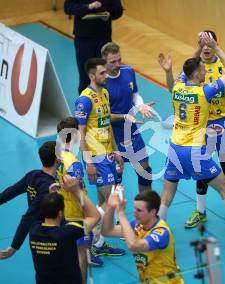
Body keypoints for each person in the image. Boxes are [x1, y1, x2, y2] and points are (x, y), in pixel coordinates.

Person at [158, 32, 225, 247]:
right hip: (194, 150)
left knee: (168, 192)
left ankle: (156, 231)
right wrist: (216, 47)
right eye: (202, 69)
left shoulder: (178, 87)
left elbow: (176, 79)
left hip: (174, 147)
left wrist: (169, 70)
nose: (205, 70)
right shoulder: (204, 92)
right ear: (198, 73)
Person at [75, 57, 125, 259]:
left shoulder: (104, 93)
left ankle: (98, 243)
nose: (107, 75)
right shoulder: (84, 99)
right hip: (96, 157)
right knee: (111, 201)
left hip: (108, 154)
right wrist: (88, 162)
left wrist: (117, 151)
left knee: (103, 200)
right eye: (102, 73)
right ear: (91, 75)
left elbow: (106, 124)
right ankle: (87, 235)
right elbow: (80, 131)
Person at [101, 42, 155, 192]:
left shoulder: (128, 72)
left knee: (145, 171)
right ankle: (117, 213)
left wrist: (140, 105)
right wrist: (124, 116)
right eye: (113, 62)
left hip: (131, 130)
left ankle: (146, 209)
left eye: (119, 59)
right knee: (116, 177)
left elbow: (135, 94)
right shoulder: (101, 83)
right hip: (112, 135)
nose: (117, 64)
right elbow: (103, 117)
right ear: (104, 62)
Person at [29, 175, 100, 284]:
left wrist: (51, 196)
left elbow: (41, 214)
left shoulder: (34, 230)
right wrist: (77, 190)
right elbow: (95, 216)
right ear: (60, 213)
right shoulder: (67, 233)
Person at [102, 189, 184, 283]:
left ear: (153, 212)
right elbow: (107, 231)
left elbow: (134, 246)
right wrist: (111, 206)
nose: (134, 213)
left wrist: (121, 214)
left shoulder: (161, 232)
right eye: (134, 209)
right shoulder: (138, 224)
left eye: (139, 210)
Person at [57, 117, 103, 272]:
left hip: (64, 208)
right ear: (75, 134)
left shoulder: (57, 157)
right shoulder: (74, 163)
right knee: (81, 256)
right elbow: (77, 190)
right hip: (77, 211)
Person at [0, 141, 58, 260]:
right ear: (58, 159)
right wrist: (14, 247)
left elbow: (8, 193)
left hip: (34, 233)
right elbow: (29, 216)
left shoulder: (32, 175)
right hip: (47, 235)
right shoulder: (48, 187)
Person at [64, 0, 123, 94]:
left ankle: (106, 105)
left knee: (106, 74)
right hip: (84, 39)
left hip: (104, 38)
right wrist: (89, 7)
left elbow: (118, 10)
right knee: (86, 75)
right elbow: (68, 8)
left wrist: (109, 14)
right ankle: (84, 106)